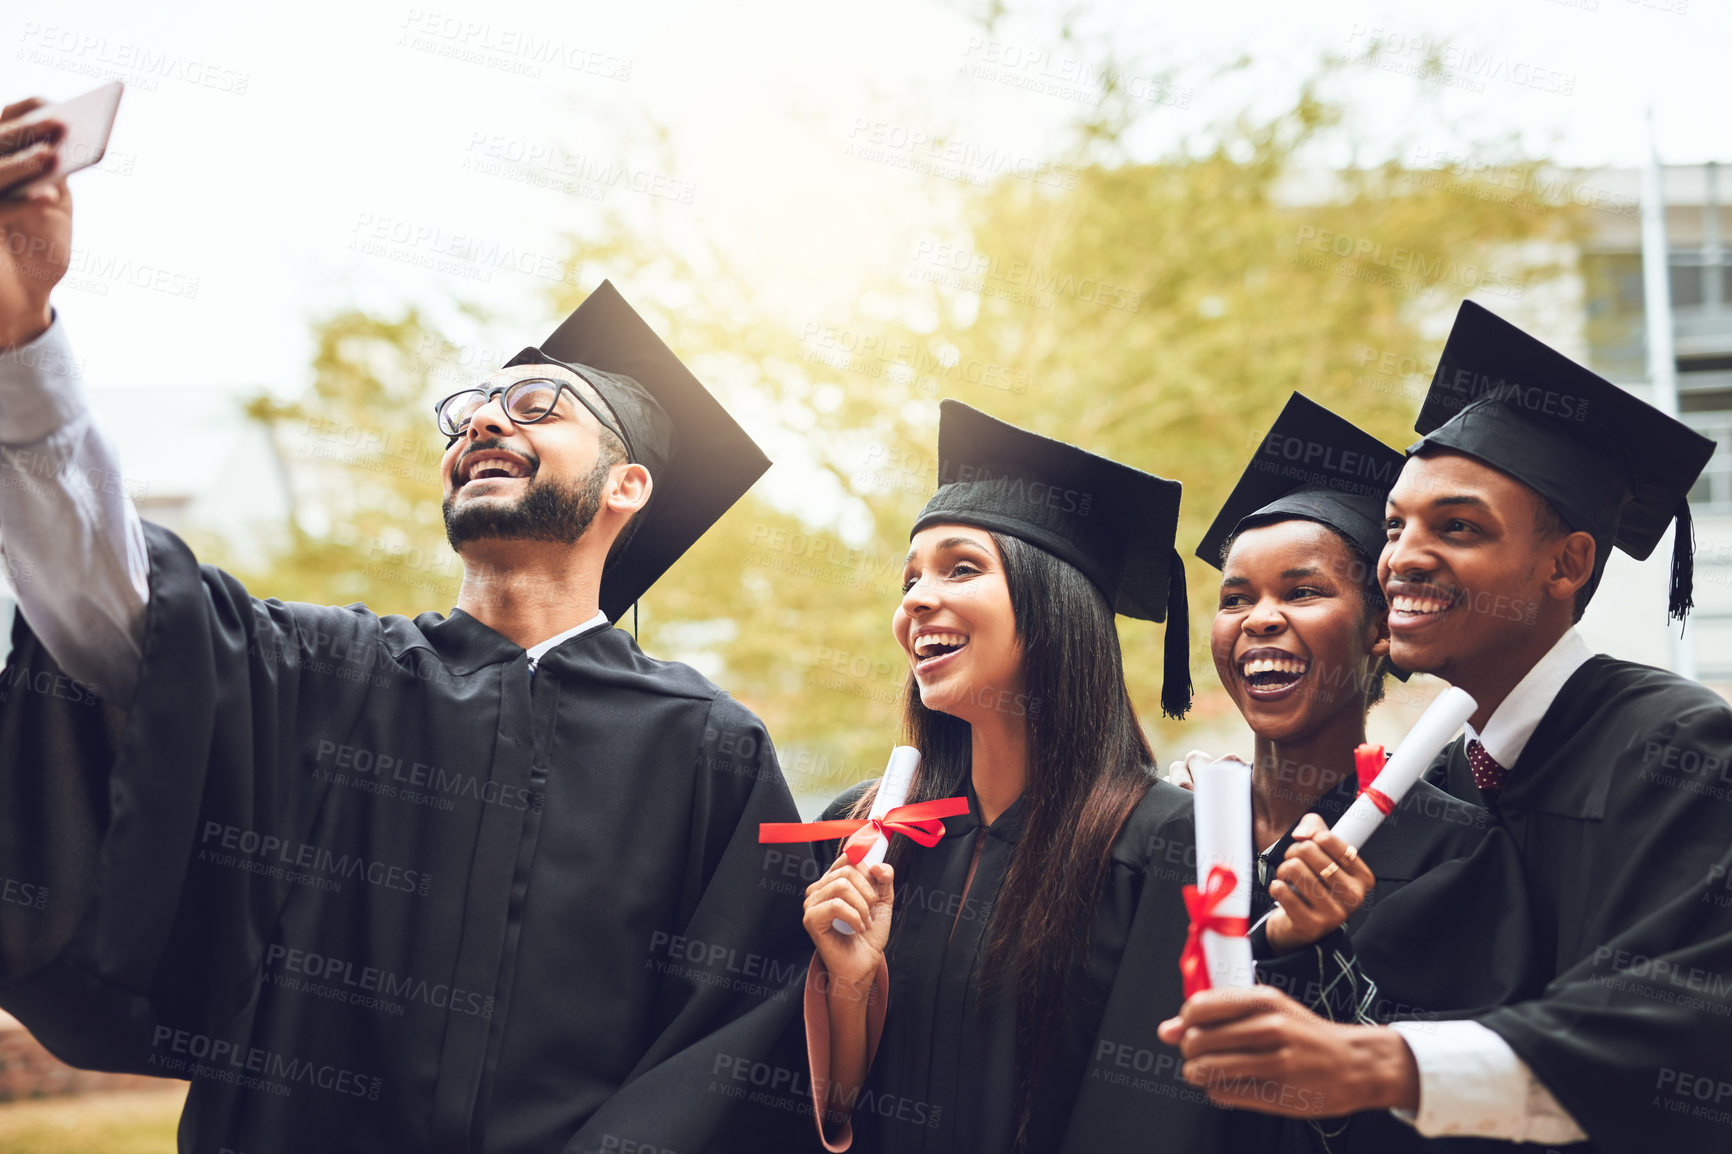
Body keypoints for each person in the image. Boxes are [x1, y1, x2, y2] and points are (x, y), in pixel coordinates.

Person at [0, 97, 816, 1154]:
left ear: (628, 485)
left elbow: (733, 1043)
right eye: (472, 406)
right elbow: (114, 607)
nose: (483, 417)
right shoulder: (324, 670)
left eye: (536, 407)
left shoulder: (708, 747)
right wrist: (24, 341)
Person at [1162, 301, 1732, 1153]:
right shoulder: (1435, 787)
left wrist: (1385, 1065)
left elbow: (1679, 1024)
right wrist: (1291, 942)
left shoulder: (1673, 745)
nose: (1403, 557)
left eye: (1457, 527)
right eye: (1395, 527)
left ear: (1566, 563)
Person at [792, 399, 1226, 1154]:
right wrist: (853, 984)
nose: (917, 600)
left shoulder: (1162, 845)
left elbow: (1151, 1119)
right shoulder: (873, 836)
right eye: (910, 579)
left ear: (1054, 605)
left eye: (961, 568)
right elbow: (837, 1116)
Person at [1192, 392, 1539, 1152]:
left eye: (1304, 591)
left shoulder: (1452, 847)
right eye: (1235, 598)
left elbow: (1463, 1107)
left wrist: (1321, 949)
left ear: (1381, 627)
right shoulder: (1172, 830)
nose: (1259, 618)